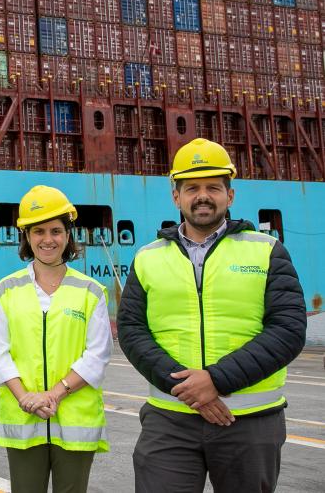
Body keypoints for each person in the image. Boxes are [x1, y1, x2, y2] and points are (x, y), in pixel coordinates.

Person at [118, 138, 307, 492]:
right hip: (170, 418)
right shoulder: (147, 257)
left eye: (213, 188)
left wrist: (216, 381)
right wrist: (188, 389)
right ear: (176, 197)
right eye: (192, 188)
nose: (202, 196)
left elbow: (288, 330)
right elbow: (132, 330)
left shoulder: (268, 251)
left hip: (249, 420)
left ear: (229, 195)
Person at [0, 185, 112, 493]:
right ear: (26, 236)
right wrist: (25, 398)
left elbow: (97, 355)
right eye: (39, 231)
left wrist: (54, 394)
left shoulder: (91, 292)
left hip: (75, 422)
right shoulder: (6, 290)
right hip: (24, 417)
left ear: (68, 235)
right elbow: (0, 354)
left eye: (56, 231)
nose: (48, 239)